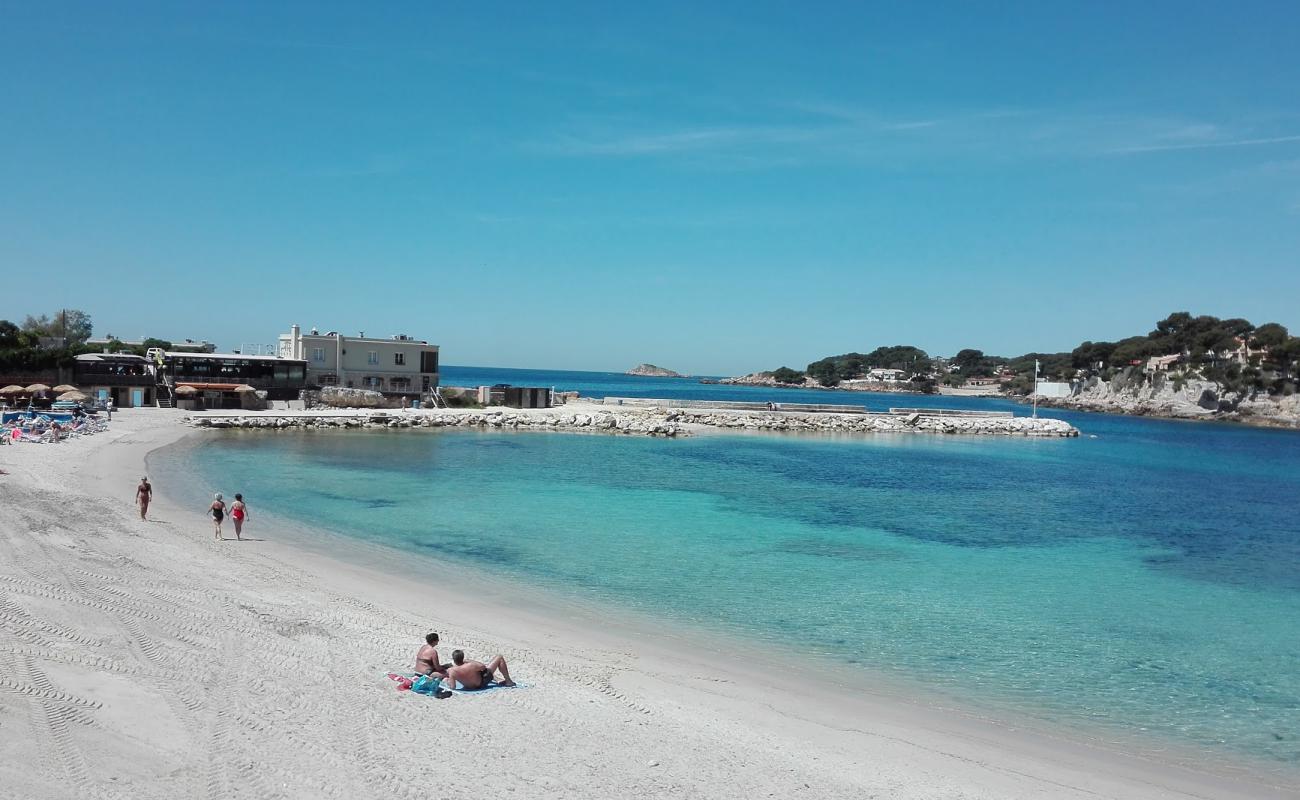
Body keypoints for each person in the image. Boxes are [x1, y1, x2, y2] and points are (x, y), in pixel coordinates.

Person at [444, 649, 515, 690]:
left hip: (470, 687)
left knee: (482, 671)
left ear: (454, 659)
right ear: (463, 658)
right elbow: (483, 666)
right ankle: (508, 682)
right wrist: (468, 660)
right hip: (482, 683)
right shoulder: (471, 665)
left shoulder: (452, 671)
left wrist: (448, 681)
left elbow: (452, 687)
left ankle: (497, 679)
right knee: (499, 657)